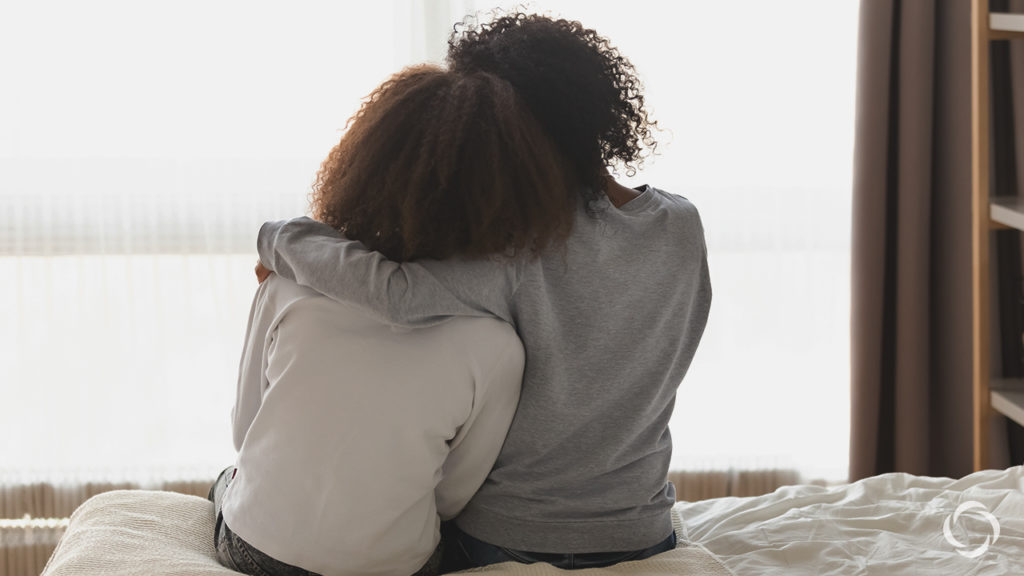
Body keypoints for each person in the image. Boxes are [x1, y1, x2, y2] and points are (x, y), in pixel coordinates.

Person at [255, 12, 712, 571]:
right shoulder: (682, 225)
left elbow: (396, 293)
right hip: (644, 529)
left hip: (511, 538)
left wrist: (279, 237)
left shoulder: (524, 248)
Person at [210, 65, 576, 576]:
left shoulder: (285, 284)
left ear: (365, 164)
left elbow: (246, 432)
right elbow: (451, 497)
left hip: (258, 549)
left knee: (226, 480)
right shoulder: (497, 345)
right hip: (391, 565)